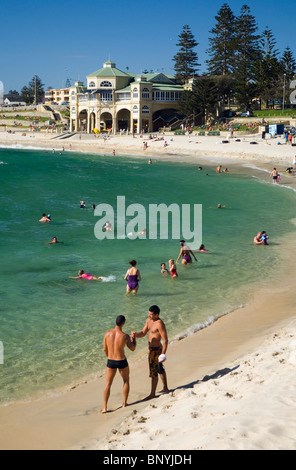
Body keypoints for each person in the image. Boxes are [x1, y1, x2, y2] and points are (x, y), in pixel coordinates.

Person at [132, 305, 168, 399]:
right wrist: (136, 335)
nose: (149, 316)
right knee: (159, 369)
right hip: (151, 350)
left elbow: (165, 340)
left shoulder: (160, 324)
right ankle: (165, 388)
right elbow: (143, 333)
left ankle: (152, 394)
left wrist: (163, 354)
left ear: (157, 314)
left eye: (151, 314)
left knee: (154, 372)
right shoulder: (149, 320)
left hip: (157, 351)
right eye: (149, 314)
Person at [102, 315, 136, 413]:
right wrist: (134, 338)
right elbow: (132, 348)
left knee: (108, 384)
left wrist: (109, 356)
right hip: (121, 360)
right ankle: (124, 403)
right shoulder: (125, 336)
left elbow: (105, 349)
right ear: (123, 323)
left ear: (115, 322)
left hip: (111, 361)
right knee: (126, 381)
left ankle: (104, 407)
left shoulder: (107, 334)